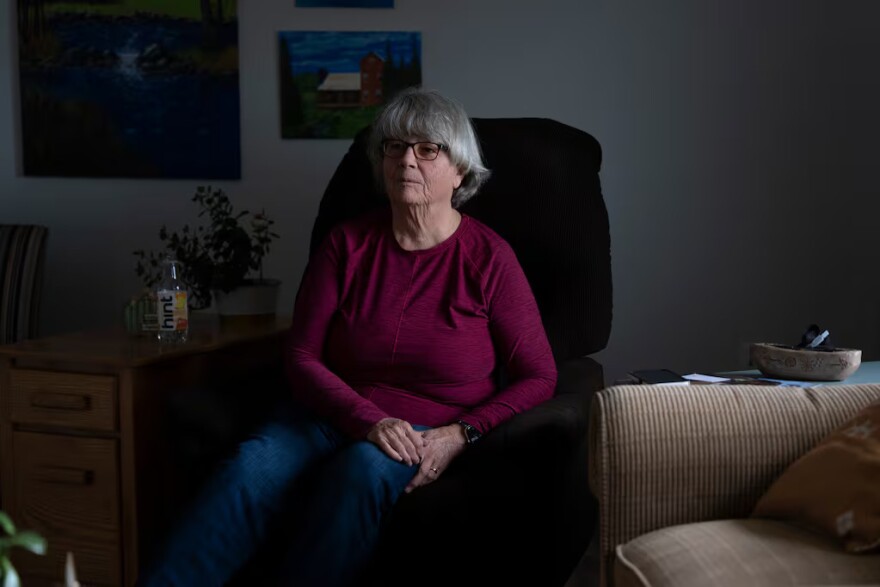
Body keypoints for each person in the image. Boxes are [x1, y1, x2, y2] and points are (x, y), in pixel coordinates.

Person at [137, 87, 557, 587]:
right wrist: (366, 418)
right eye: (394, 147)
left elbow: (539, 375)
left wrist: (460, 434)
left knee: (358, 473)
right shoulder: (347, 244)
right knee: (249, 468)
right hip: (331, 413)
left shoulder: (489, 258)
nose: (406, 160)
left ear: (460, 171)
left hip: (425, 425)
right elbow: (301, 354)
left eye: (427, 149)